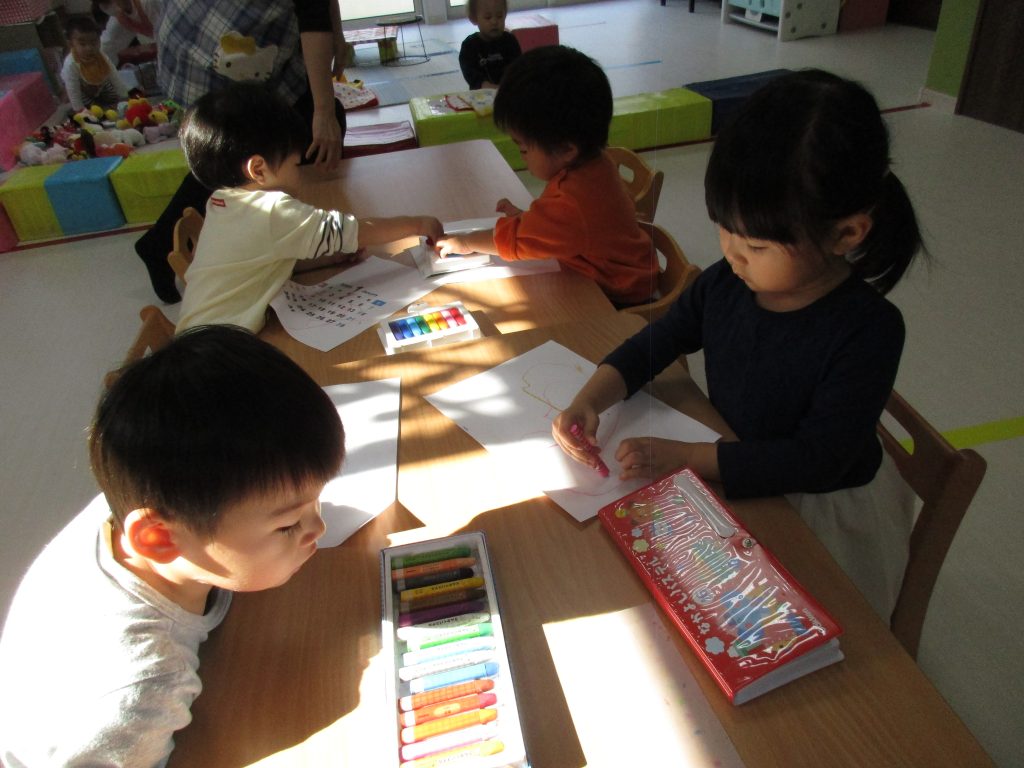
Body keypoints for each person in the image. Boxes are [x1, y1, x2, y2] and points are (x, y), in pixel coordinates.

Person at [552, 69, 926, 619]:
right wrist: (592, 397)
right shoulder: (728, 283)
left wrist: (687, 458)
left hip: (815, 506)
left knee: (797, 622)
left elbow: (817, 461)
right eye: (725, 229)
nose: (732, 253)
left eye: (756, 244)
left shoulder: (868, 330)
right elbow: (660, 339)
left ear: (845, 234)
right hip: (731, 459)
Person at [0, 325, 345, 766]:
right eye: (288, 525)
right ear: (158, 539)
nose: (319, 527)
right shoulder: (140, 692)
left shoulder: (140, 503)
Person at [175, 82, 443, 334]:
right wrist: (417, 224)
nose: (301, 173)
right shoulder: (271, 211)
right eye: (296, 164)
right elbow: (357, 231)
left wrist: (326, 258)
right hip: (221, 347)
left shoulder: (221, 201)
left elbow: (259, 259)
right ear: (258, 169)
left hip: (195, 335)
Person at [134, 0, 352, 304]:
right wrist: (323, 111)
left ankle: (291, 232)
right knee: (232, 149)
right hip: (215, 41)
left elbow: (319, 8)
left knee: (309, 121)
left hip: (250, 43)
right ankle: (160, 243)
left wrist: (336, 37)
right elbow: (313, 16)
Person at [437, 46, 657, 307]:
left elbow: (519, 239)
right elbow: (566, 228)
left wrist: (465, 241)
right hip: (608, 269)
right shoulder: (594, 161)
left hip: (618, 295)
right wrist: (531, 220)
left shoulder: (575, 201)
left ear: (566, 149)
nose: (521, 156)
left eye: (523, 148)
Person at [61, 15, 130, 113]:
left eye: (94, 43)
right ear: (71, 44)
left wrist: (124, 96)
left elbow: (114, 75)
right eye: (82, 44)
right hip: (83, 90)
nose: (89, 48)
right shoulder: (71, 63)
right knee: (89, 108)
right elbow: (73, 89)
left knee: (114, 96)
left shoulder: (101, 56)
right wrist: (79, 109)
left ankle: (108, 104)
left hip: (101, 86)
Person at [458, 0, 521, 90]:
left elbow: (518, 67)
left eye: (499, 16)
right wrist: (484, 84)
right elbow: (470, 72)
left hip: (509, 91)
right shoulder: (470, 45)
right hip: (482, 94)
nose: (494, 22)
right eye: (488, 17)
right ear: (474, 19)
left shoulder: (510, 41)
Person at [94, 0, 163, 64]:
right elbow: (105, 47)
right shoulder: (120, 19)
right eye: (105, 4)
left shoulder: (149, 3)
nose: (112, 4)